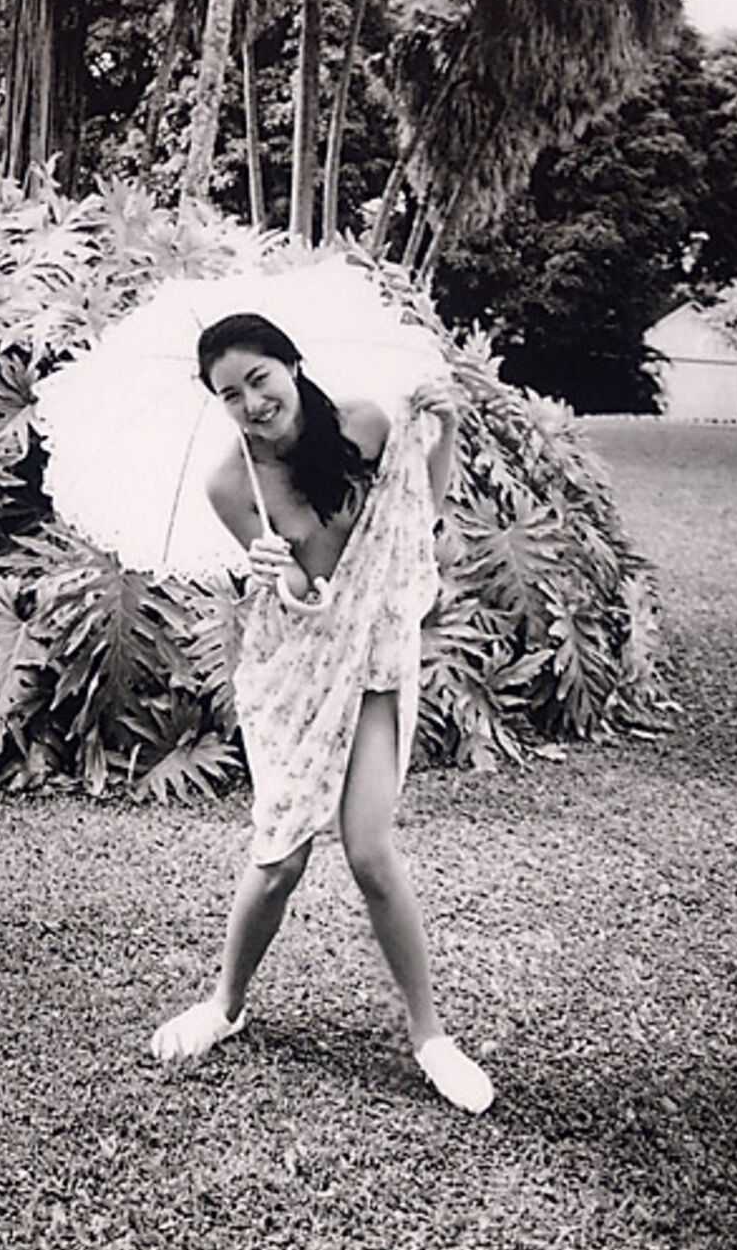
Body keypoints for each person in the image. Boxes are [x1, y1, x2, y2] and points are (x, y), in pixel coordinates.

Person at [148, 310, 494, 1115]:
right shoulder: (231, 483)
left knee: (370, 850)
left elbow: (417, 516)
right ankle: (225, 1005)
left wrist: (443, 431)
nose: (252, 403)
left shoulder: (367, 425)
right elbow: (303, 594)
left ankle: (431, 1037)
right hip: (292, 668)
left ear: (293, 365)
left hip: (372, 653)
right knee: (281, 858)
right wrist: (273, 567)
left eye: (259, 378)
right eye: (229, 394)